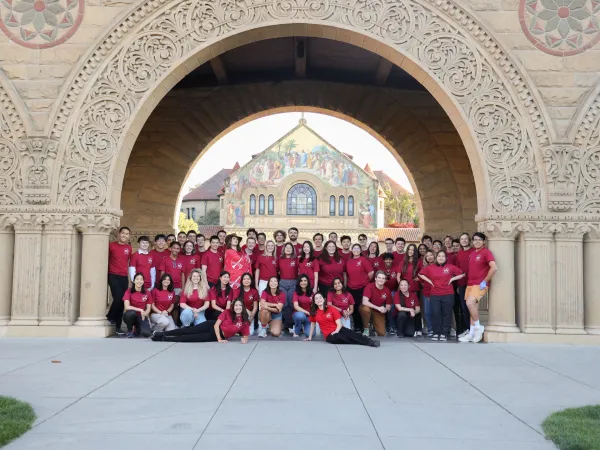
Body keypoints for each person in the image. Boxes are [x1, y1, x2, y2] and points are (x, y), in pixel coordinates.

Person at [152, 298, 250, 343]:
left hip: (213, 336)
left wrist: (244, 340)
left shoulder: (245, 321)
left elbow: (245, 335)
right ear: (233, 306)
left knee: (189, 338)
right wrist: (220, 339)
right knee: (187, 331)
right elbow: (216, 325)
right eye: (236, 305)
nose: (238, 307)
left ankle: (163, 339)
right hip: (212, 326)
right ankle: (161, 334)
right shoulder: (228, 312)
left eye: (240, 305)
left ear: (243, 307)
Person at [459, 232, 497, 343]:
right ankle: (471, 333)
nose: (477, 241)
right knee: (472, 308)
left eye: (479, 239)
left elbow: (494, 268)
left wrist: (484, 282)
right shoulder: (473, 253)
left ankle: (478, 327)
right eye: (475, 239)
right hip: (470, 284)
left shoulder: (486, 252)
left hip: (479, 284)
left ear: (484, 241)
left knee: (470, 304)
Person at [419, 250, 464, 341]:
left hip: (448, 294)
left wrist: (453, 279)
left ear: (446, 258)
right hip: (435, 294)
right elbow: (420, 274)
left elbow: (462, 274)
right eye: (439, 256)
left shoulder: (450, 267)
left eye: (443, 256)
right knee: (436, 313)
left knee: (446, 314)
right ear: (436, 257)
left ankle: (444, 333)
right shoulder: (431, 267)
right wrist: (430, 281)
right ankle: (436, 332)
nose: (441, 258)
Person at [305, 293, 380, 347]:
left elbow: (339, 324)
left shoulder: (331, 309)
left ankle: (371, 342)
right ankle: (364, 342)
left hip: (339, 329)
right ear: (314, 302)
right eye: (316, 299)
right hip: (329, 335)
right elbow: (312, 324)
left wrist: (335, 332)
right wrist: (310, 337)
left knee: (352, 334)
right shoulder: (314, 313)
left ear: (324, 299)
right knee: (343, 338)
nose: (319, 300)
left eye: (320, 298)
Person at [107, 226, 132, 335]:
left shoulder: (129, 248)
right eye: (123, 233)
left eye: (127, 234)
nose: (124, 235)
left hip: (124, 276)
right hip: (113, 274)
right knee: (117, 297)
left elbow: (128, 263)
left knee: (122, 301)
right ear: (119, 234)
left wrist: (130, 279)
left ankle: (117, 326)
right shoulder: (111, 246)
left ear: (129, 236)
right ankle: (110, 316)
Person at [346, 243, 374, 331]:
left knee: (361, 308)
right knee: (353, 307)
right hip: (351, 288)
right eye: (354, 248)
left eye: (358, 248)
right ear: (352, 250)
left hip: (362, 288)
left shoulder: (363, 260)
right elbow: (347, 274)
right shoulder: (349, 261)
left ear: (361, 250)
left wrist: (365, 282)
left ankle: (364, 326)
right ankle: (357, 327)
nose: (356, 250)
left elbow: (371, 273)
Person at [360, 271, 392, 337]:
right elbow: (365, 301)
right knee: (366, 309)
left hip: (378, 311)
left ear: (385, 280)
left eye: (383, 278)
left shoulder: (387, 290)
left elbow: (388, 306)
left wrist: (385, 310)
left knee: (382, 333)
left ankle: (373, 327)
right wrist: (378, 308)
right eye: (379, 278)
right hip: (368, 308)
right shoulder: (369, 286)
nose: (381, 280)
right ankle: (366, 329)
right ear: (375, 278)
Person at [455, 232, 474, 338]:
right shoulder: (459, 254)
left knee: (471, 306)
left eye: (466, 239)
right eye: (462, 239)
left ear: (469, 240)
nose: (464, 241)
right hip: (462, 284)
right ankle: (468, 329)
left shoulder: (474, 252)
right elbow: (458, 270)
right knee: (464, 307)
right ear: (460, 242)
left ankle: (474, 328)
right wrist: (458, 285)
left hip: (472, 284)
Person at [122, 272, 152, 338]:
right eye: (137, 279)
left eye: (141, 279)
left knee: (146, 333)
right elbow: (126, 307)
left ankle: (136, 330)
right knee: (131, 313)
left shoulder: (147, 292)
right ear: (134, 281)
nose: (139, 281)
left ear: (143, 281)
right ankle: (129, 330)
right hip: (130, 316)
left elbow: (148, 308)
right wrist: (140, 309)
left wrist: (144, 314)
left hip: (141, 316)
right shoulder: (128, 291)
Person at [279, 242, 299, 329]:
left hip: (293, 283)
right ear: (283, 249)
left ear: (292, 250)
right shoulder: (280, 259)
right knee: (284, 303)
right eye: (286, 248)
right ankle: (289, 324)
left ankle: (291, 324)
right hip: (282, 283)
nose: (288, 249)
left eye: (290, 248)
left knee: (291, 303)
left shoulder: (296, 259)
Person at [420, 250, 436, 337]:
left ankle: (437, 329)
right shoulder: (424, 268)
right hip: (426, 293)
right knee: (427, 312)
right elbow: (421, 281)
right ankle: (430, 329)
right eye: (427, 256)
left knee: (436, 312)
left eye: (431, 255)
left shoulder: (438, 266)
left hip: (437, 292)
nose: (429, 257)